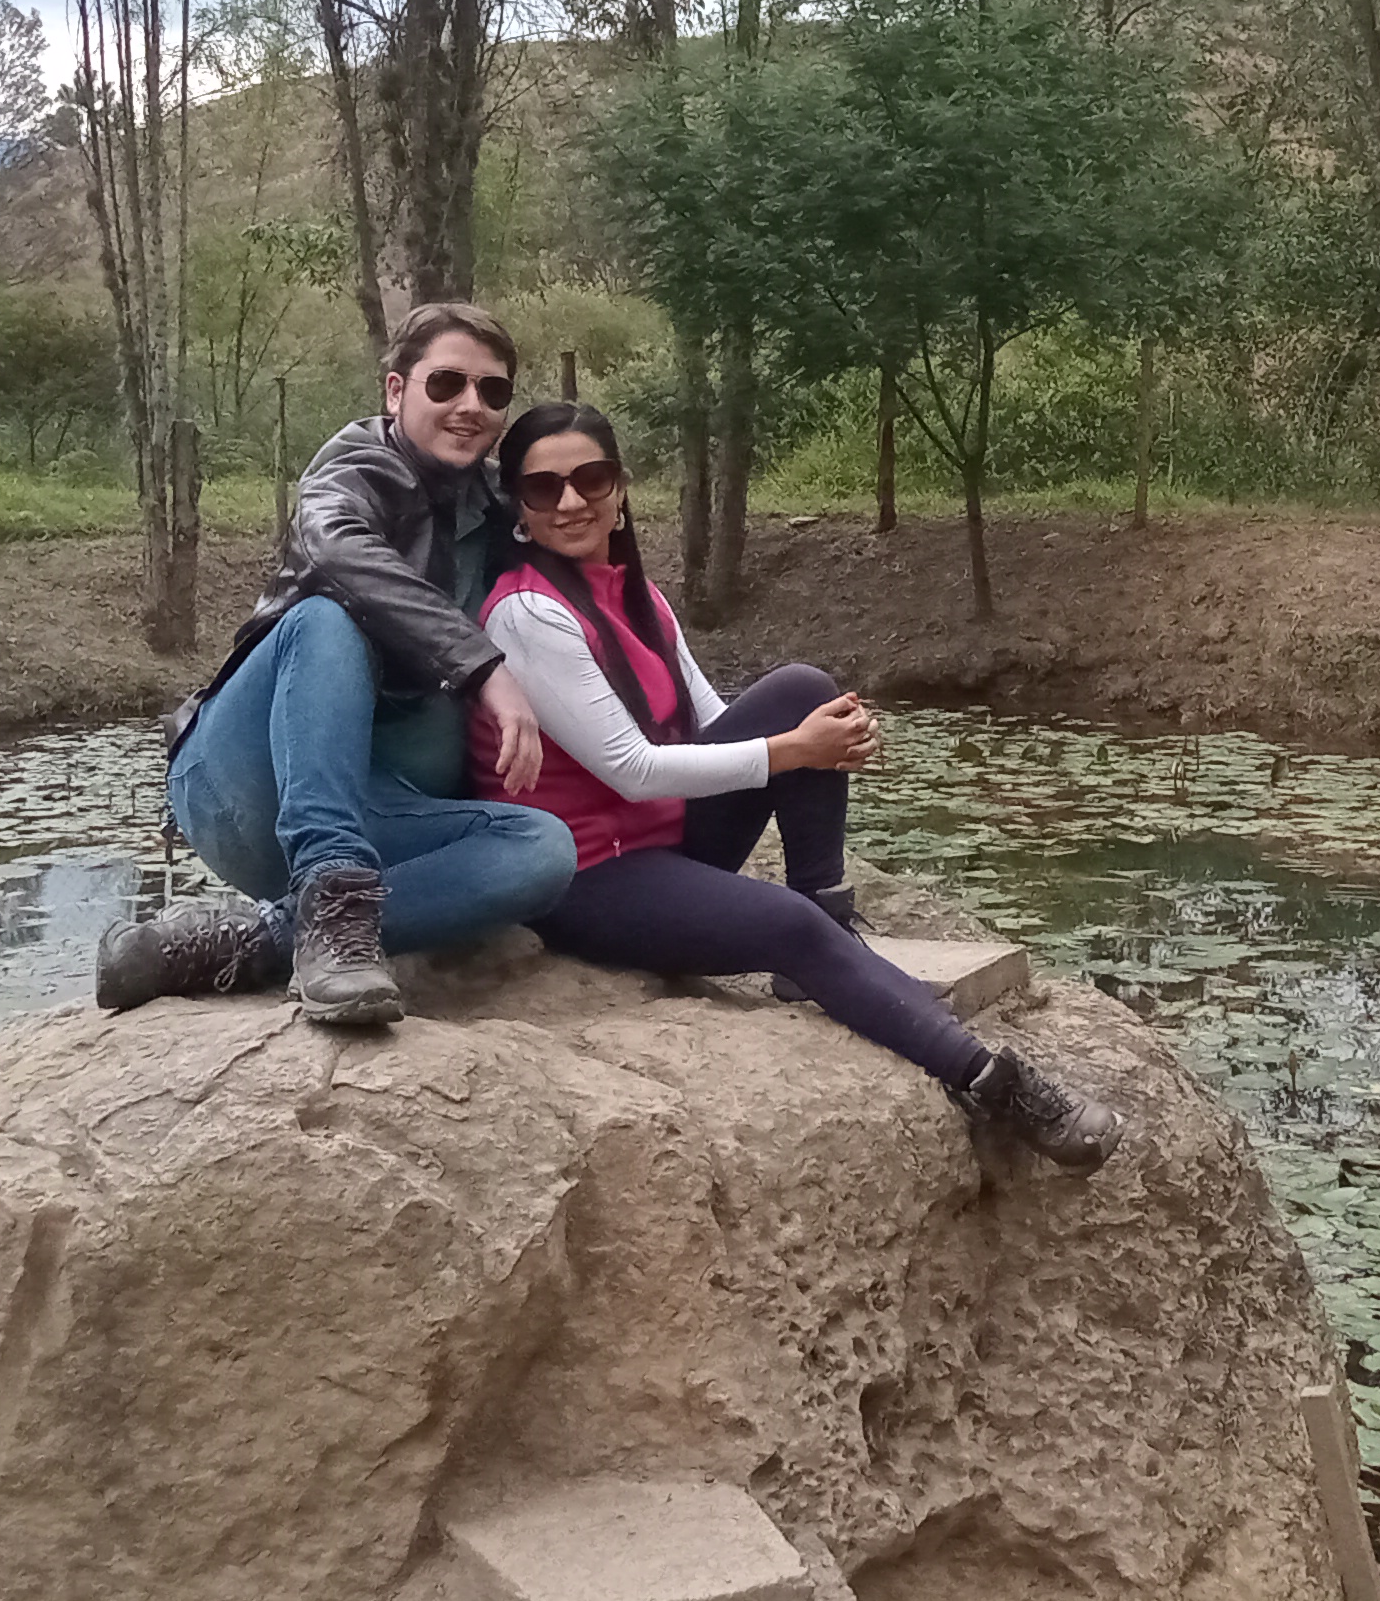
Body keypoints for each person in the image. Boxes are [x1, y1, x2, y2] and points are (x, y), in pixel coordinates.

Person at [470, 399, 1121, 1172]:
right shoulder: (526, 614)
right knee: (784, 914)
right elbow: (632, 770)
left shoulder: (635, 594)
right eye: (544, 489)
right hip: (588, 873)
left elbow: (713, 719)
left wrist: (817, 740)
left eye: (591, 478)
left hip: (662, 839)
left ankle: (823, 922)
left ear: (621, 488)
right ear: (518, 507)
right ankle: (988, 1082)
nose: (571, 501)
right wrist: (791, 753)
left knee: (802, 688)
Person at [96, 302, 577, 1028]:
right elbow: (337, 550)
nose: (470, 405)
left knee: (543, 849)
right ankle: (328, 890)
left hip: (378, 802)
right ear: (395, 392)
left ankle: (261, 938)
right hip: (245, 779)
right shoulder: (350, 472)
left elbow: (586, 592)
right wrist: (485, 668)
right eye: (445, 384)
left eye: (493, 391)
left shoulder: (500, 508)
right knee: (324, 615)